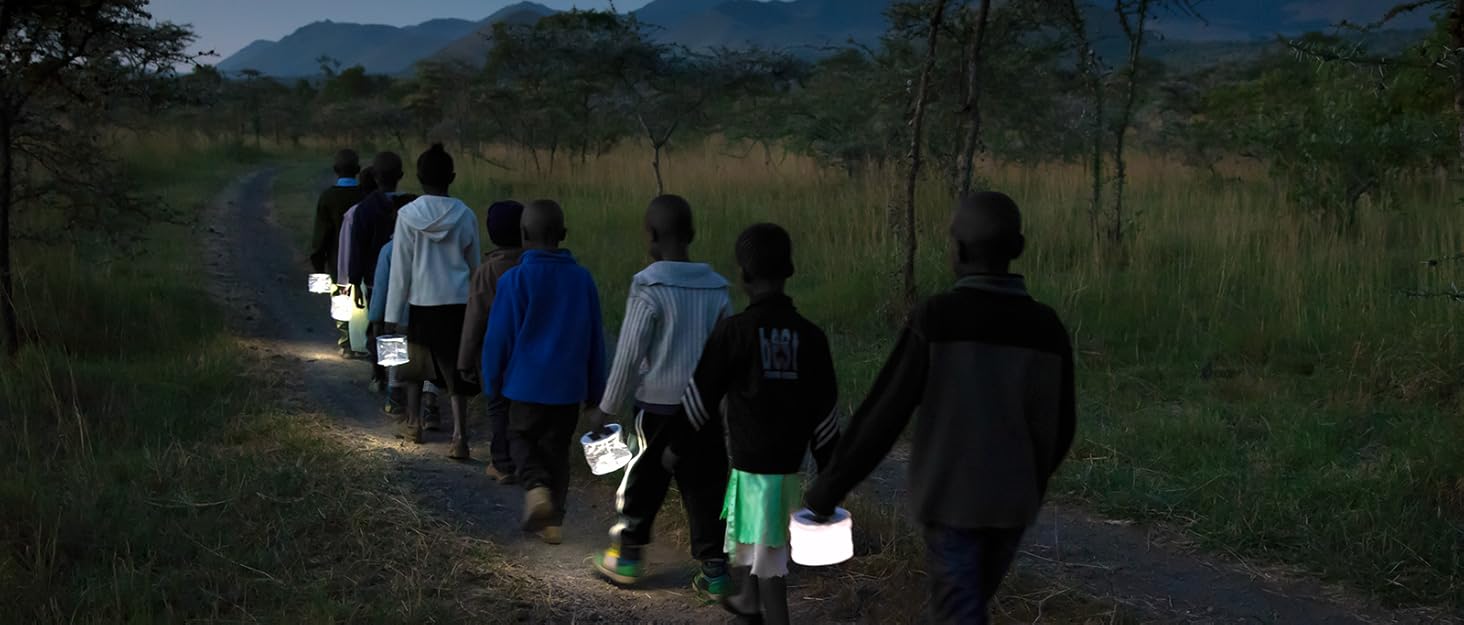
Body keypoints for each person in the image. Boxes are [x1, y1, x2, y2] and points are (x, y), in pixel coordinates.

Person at [804, 192, 1076, 625]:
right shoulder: (1046, 328)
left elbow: (884, 413)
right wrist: (1029, 481)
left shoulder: (938, 318)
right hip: (1012, 506)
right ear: (1018, 249)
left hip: (951, 502)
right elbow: (1060, 427)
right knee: (963, 606)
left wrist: (829, 487)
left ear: (959, 250)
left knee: (958, 609)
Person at [678, 223, 841, 625]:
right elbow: (826, 413)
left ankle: (775, 616)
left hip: (752, 463)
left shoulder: (734, 332)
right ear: (790, 271)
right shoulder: (811, 337)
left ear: (743, 276)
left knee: (768, 557)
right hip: (786, 462)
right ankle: (749, 601)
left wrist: (676, 445)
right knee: (757, 539)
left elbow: (700, 395)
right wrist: (830, 471)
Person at [590, 195, 734, 598]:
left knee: (643, 481)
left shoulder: (648, 284)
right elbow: (728, 356)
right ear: (692, 234)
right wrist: (725, 408)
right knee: (707, 488)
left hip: (656, 409)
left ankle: (629, 557)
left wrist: (606, 407)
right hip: (704, 413)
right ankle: (715, 571)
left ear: (651, 236)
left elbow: (629, 352)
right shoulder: (717, 288)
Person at [480, 199, 607, 546]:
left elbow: (498, 339)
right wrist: (597, 393)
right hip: (568, 389)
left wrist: (492, 381)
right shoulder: (582, 280)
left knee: (520, 440)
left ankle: (535, 489)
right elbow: (596, 340)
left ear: (522, 235)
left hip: (524, 386)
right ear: (564, 234)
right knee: (557, 452)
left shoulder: (514, 280)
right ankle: (555, 522)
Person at [384, 144, 482, 458]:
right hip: (457, 304)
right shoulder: (465, 214)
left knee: (416, 368)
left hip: (420, 302)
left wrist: (391, 313)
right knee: (455, 372)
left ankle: (414, 424)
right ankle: (460, 437)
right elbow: (474, 265)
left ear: (418, 177)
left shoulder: (407, 215)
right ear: (451, 177)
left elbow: (400, 268)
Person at [458, 200, 526, 484]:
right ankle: (522, 460)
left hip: (494, 354)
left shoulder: (487, 270)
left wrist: (464, 360)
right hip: (527, 354)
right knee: (520, 410)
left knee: (497, 408)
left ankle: (501, 463)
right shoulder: (528, 265)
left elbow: (474, 318)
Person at [350, 152, 419, 392]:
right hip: (413, 282)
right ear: (401, 175)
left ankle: (382, 377)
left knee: (378, 328)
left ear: (374, 176)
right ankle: (400, 381)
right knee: (404, 328)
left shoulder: (364, 209)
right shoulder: (413, 205)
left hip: (373, 281)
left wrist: (353, 282)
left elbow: (357, 249)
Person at [310, 149, 367, 357]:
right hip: (364, 261)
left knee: (341, 300)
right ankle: (362, 342)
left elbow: (321, 234)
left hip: (336, 261)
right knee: (363, 303)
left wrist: (318, 262)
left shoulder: (327, 197)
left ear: (335, 170)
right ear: (358, 170)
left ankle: (346, 343)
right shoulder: (365, 196)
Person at [334, 166, 378, 358]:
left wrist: (345, 281)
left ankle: (362, 351)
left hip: (363, 277)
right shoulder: (397, 210)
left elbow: (346, 250)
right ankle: (389, 372)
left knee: (365, 319)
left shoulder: (354, 213)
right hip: (390, 277)